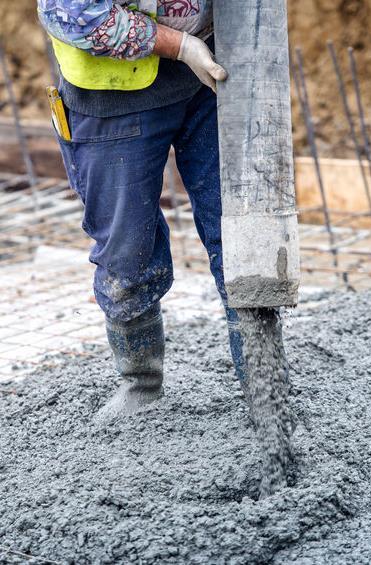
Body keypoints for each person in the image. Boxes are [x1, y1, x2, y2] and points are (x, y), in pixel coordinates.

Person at [37, 0, 246, 421]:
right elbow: (75, 13)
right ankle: (141, 382)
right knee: (126, 250)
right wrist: (181, 46)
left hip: (213, 75)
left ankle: (263, 378)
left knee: (244, 232)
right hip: (112, 96)